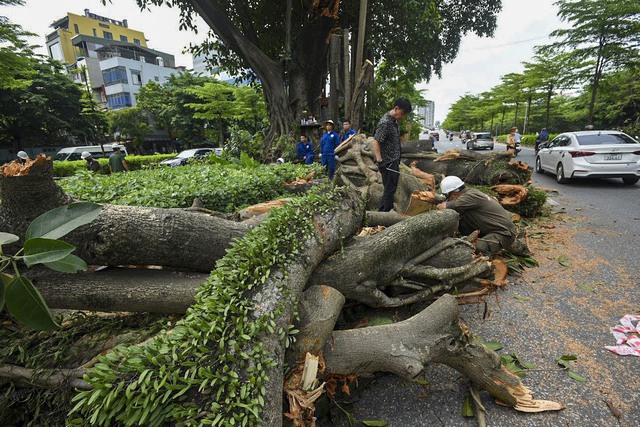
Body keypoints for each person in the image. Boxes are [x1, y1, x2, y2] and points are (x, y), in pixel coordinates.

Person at [437, 176, 517, 256]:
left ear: (454, 194)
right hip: (490, 230)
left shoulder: (471, 196)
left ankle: (486, 265)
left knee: (475, 248)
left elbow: (444, 206)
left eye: (447, 196)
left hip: (503, 233)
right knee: (462, 218)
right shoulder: (469, 194)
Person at [371, 97, 413, 212]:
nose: (403, 116)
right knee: (389, 190)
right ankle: (383, 215)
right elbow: (376, 141)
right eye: (402, 113)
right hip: (387, 163)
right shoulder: (385, 123)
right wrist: (380, 161)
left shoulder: (394, 122)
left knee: (391, 189)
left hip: (393, 161)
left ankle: (386, 213)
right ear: (396, 108)